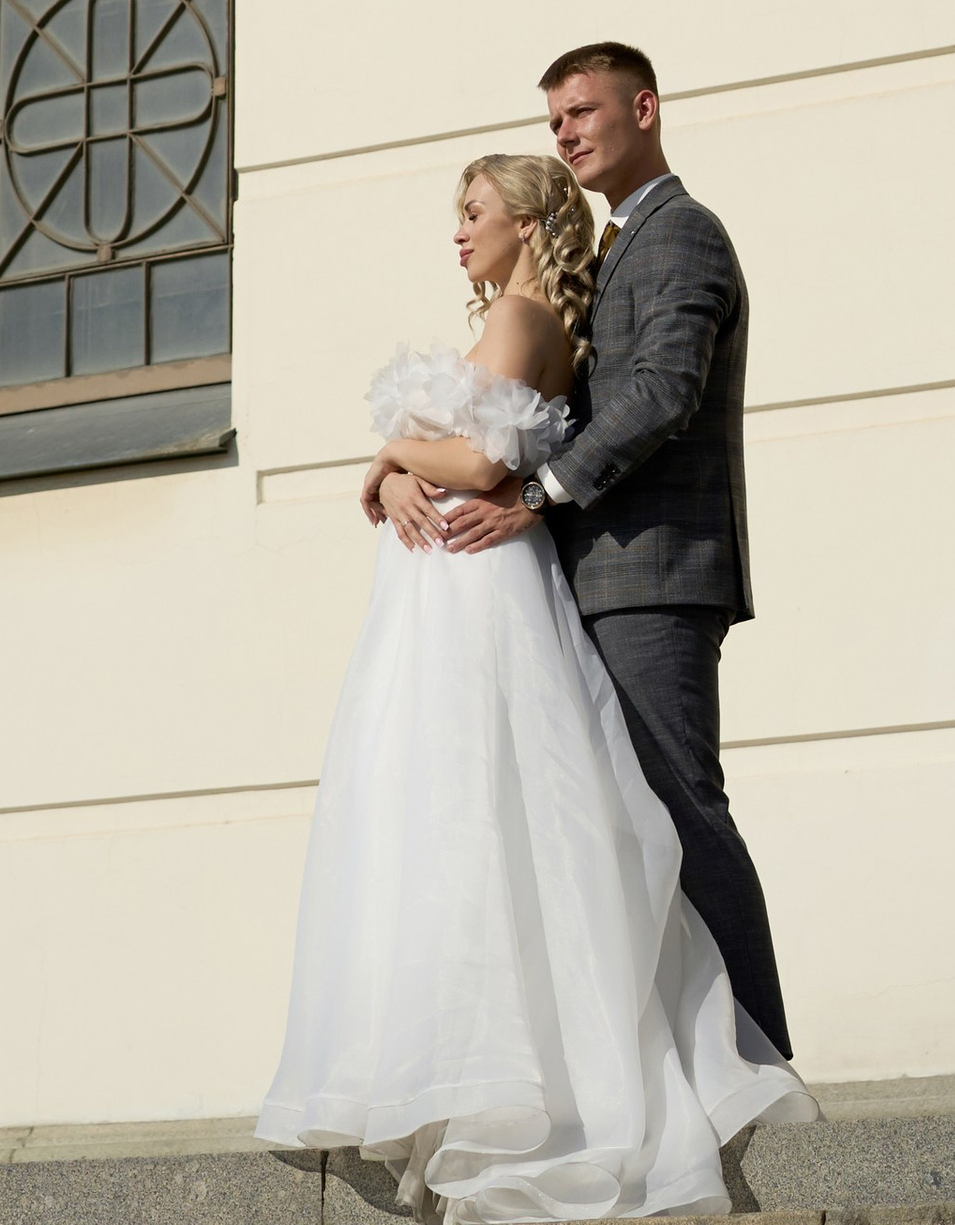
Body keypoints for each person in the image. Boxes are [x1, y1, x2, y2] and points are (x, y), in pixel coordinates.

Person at [257, 142, 809, 1219]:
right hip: (460, 581)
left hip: (473, 580)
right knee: (494, 815)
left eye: (475, 211)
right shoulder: (532, 319)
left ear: (524, 223)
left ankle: (572, 1071)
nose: (458, 229)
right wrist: (394, 461)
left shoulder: (524, 320)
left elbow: (486, 467)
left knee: (494, 810)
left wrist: (393, 456)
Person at [439, 43, 792, 1065]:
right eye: (554, 121)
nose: (567, 133)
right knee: (624, 833)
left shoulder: (682, 236)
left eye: (584, 111)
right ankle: (684, 1066)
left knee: (682, 813)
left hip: (652, 575)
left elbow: (660, 395)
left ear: (644, 108)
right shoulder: (610, 251)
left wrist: (538, 494)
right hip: (587, 577)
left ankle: (763, 1067)